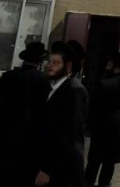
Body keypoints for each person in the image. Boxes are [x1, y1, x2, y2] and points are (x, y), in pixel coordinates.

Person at [0, 41, 50, 187]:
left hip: (7, 133)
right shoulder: (43, 80)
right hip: (30, 137)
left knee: (4, 177)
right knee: (25, 177)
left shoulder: (9, 76)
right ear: (39, 61)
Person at [84, 51, 120, 187]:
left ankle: (88, 181)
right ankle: (104, 183)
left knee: (95, 157)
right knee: (110, 159)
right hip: (119, 125)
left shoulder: (104, 84)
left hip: (102, 124)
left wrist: (88, 124)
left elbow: (93, 106)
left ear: (112, 64)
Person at [37, 40, 89, 187]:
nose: (49, 65)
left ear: (68, 66)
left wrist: (47, 167)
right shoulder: (53, 86)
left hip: (63, 168)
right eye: (49, 61)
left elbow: (70, 135)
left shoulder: (75, 90)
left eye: (56, 63)